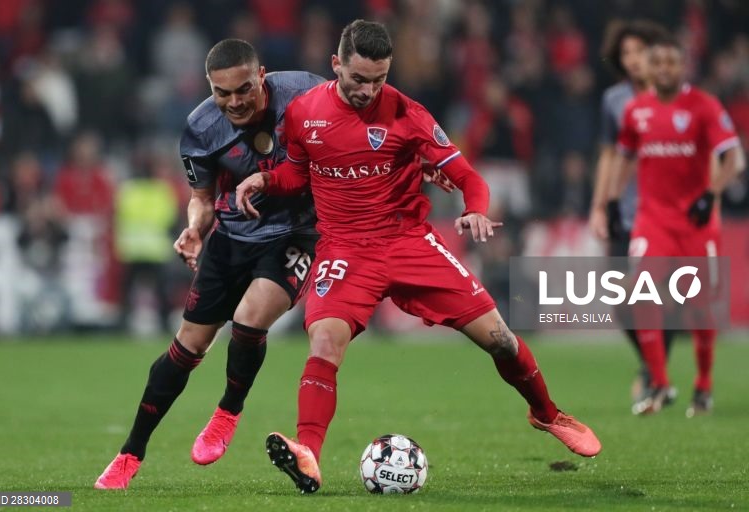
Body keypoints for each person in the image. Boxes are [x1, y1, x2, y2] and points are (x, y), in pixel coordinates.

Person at [236, 20, 601, 495]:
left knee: (502, 340)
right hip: (345, 249)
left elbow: (469, 176)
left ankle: (547, 414)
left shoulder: (408, 114)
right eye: (358, 79)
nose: (368, 90)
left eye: (379, 79)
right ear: (336, 66)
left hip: (407, 243)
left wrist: (475, 211)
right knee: (325, 344)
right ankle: (308, 454)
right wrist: (265, 180)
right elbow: (295, 175)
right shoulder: (305, 114)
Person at [94, 39, 325, 490]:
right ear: (209, 87)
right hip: (231, 237)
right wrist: (195, 229)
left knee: (249, 318)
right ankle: (129, 454)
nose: (234, 102)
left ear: (262, 77)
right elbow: (201, 198)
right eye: (223, 93)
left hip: (295, 234)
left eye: (244, 89)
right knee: (187, 347)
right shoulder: (200, 128)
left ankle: (227, 412)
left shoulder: (305, 94)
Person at [609, 35, 745, 416]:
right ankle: (660, 383)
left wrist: (711, 193)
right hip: (652, 221)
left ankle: (703, 384)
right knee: (641, 296)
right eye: (660, 63)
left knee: (699, 309)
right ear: (651, 69)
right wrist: (614, 199)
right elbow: (623, 155)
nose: (665, 69)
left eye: (672, 62)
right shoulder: (637, 111)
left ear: (682, 66)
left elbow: (734, 158)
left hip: (695, 223)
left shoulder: (703, 106)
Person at [588, 20, 677, 410]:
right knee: (620, 298)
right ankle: (648, 364)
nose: (633, 60)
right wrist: (599, 204)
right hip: (624, 211)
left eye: (639, 51)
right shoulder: (614, 101)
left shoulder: (676, 98)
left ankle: (656, 373)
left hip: (667, 212)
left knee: (666, 297)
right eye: (625, 54)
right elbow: (609, 154)